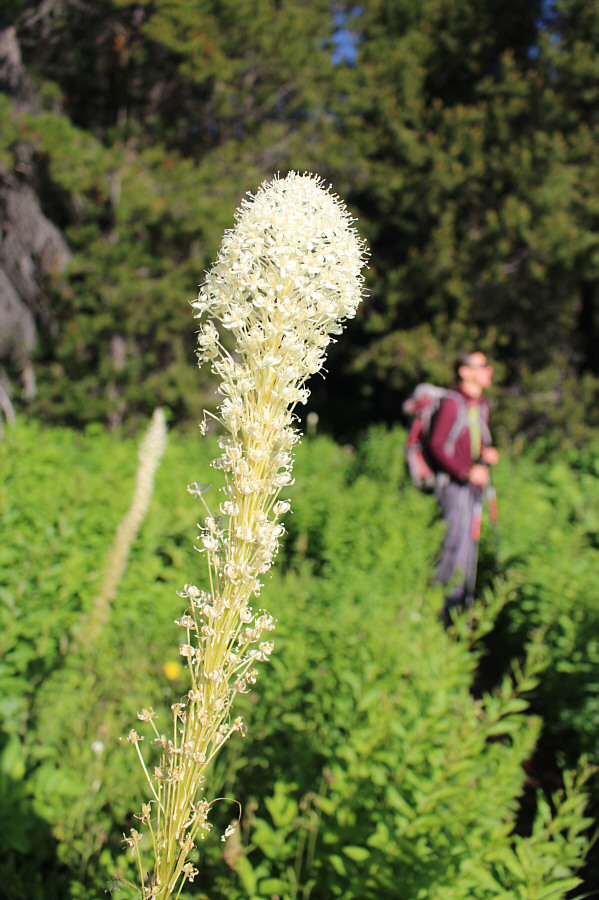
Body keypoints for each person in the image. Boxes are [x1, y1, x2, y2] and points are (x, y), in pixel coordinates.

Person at [428, 351, 500, 623]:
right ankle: (439, 612)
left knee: (467, 547)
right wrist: (467, 471)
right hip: (454, 486)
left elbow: (472, 441)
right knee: (453, 546)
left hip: (472, 487)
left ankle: (456, 611)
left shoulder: (480, 404)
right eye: (483, 365)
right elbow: (437, 445)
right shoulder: (452, 403)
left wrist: (486, 455)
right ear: (464, 371)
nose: (489, 370)